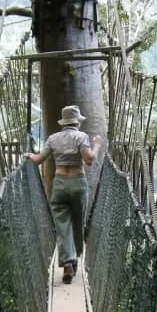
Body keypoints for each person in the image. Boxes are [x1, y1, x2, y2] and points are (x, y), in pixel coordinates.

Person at [25, 105, 103, 284]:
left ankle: (68, 261)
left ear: (63, 122)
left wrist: (29, 155)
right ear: (77, 122)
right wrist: (97, 145)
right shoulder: (81, 137)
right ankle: (74, 258)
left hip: (59, 184)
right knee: (78, 223)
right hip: (77, 182)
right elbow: (89, 160)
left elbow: (38, 160)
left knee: (62, 225)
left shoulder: (53, 138)